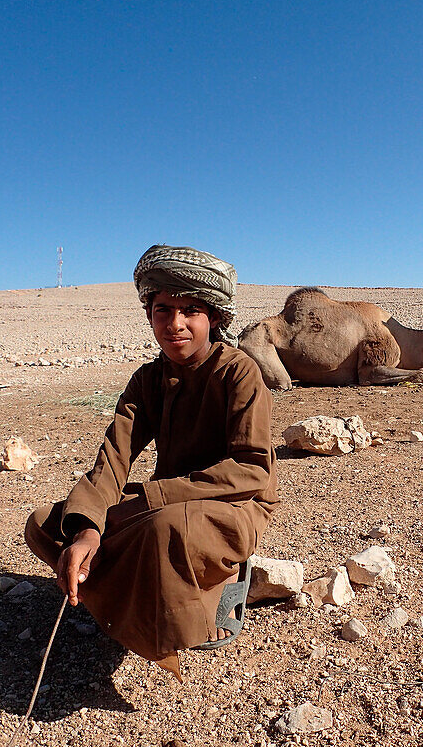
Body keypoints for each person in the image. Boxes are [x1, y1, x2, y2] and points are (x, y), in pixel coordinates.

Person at [24, 244, 278, 677]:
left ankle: (192, 607)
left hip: (234, 505)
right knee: (48, 523)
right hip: (165, 502)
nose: (175, 324)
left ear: (214, 317)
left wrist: (152, 497)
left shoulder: (238, 373)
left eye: (191, 310)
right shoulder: (147, 381)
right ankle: (132, 599)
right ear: (149, 315)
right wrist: (87, 528)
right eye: (163, 310)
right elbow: (113, 460)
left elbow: (252, 470)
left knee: (162, 529)